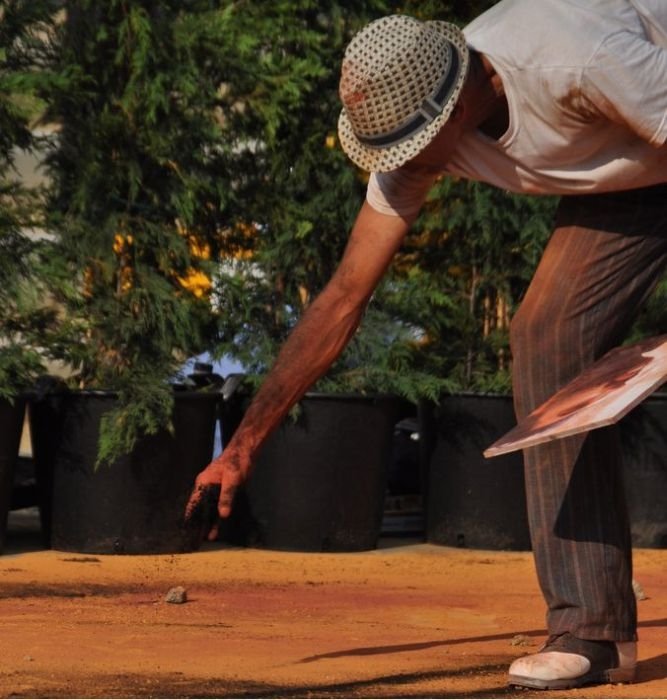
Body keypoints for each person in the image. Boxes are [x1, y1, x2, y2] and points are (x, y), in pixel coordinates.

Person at [186, 0, 667, 690]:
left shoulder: (578, 58)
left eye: (413, 144)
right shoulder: (409, 123)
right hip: (629, 175)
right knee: (546, 336)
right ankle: (588, 627)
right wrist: (242, 447)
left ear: (465, 98)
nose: (404, 164)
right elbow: (344, 297)